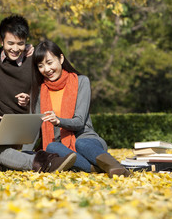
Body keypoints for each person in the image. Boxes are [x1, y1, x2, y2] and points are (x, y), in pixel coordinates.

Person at [27, 39, 130, 178]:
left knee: (81, 143)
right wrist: (22, 152)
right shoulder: (39, 91)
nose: (46, 69)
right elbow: (33, 128)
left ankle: (115, 167)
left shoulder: (81, 81)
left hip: (87, 141)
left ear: (61, 58)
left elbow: (80, 121)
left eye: (50, 63)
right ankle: (98, 168)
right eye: (40, 66)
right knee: (51, 147)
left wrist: (58, 121)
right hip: (62, 148)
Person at [0, 15, 32, 115]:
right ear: (1, 41)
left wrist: (30, 98)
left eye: (20, 43)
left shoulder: (33, 60)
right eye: (10, 43)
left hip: (27, 120)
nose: (15, 49)